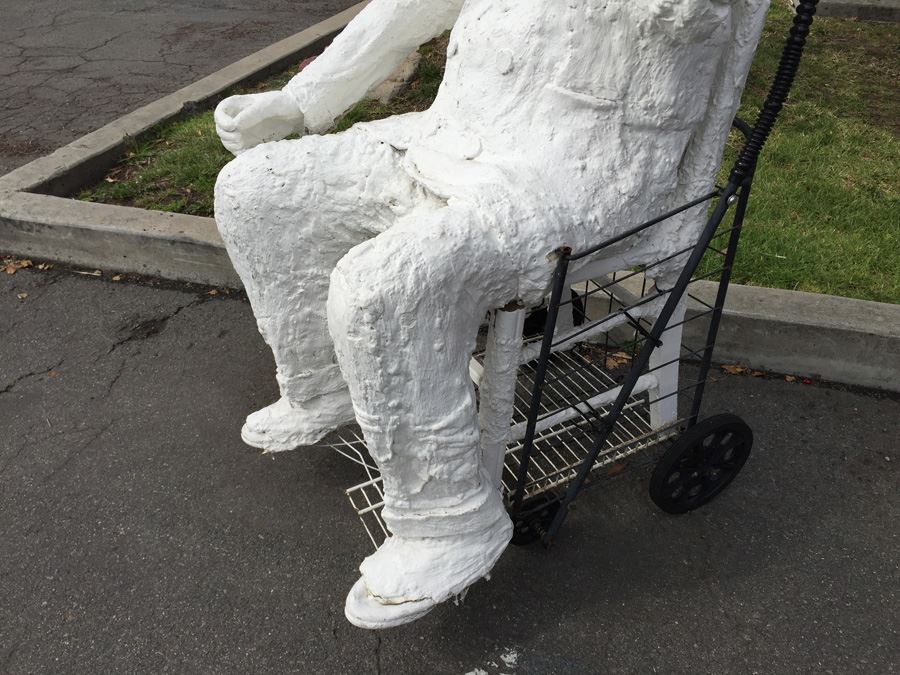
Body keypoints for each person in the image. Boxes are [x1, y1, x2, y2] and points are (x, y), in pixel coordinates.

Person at [214, 0, 768, 628]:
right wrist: (298, 101)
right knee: (255, 189)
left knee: (384, 285)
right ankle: (325, 380)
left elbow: (692, 26)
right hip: (450, 134)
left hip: (577, 174)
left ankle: (451, 524)